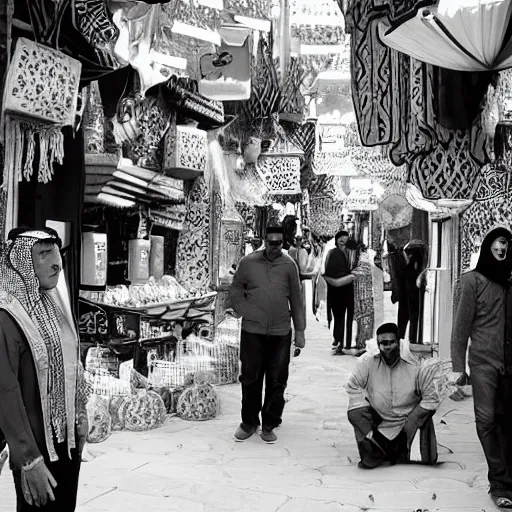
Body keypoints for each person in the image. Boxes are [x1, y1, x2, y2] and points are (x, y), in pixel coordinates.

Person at [0, 227, 89, 511]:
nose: (57, 263)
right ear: (22, 262)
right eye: (43, 253)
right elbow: (5, 389)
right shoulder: (8, 315)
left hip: (67, 442)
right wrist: (28, 458)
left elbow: (72, 362)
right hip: (36, 447)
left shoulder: (50, 303)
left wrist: (82, 412)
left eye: (56, 253)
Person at [451, 226, 512, 509]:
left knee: (506, 423)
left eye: (507, 245)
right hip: (483, 363)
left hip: (508, 364)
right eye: (499, 243)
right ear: (488, 245)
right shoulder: (472, 281)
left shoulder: (509, 281)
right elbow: (461, 327)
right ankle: (499, 483)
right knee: (486, 421)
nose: (503, 249)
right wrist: (456, 366)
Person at [229, 225, 306, 444]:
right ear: (265, 240)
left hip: (281, 332)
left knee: (277, 381)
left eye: (278, 243)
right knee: (250, 378)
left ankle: (270, 423)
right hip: (252, 331)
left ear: (283, 243)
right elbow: (235, 289)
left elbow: (296, 299)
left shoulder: (289, 265)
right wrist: (245, 310)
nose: (274, 247)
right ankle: (249, 422)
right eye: (271, 243)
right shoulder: (248, 263)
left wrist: (300, 331)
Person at [345, 322, 442, 469]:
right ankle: (377, 445)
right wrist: (369, 411)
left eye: (392, 342)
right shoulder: (368, 362)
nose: (388, 347)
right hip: (380, 425)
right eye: (384, 343)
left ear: (398, 342)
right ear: (378, 344)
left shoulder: (415, 364)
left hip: (409, 424)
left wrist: (412, 421)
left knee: (424, 459)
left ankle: (396, 448)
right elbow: (352, 386)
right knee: (354, 411)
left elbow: (432, 397)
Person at [323, 230, 355, 354]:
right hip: (336, 290)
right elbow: (329, 270)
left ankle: (343, 341)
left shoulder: (350, 254)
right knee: (338, 316)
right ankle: (338, 339)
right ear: (336, 241)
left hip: (347, 289)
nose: (343, 242)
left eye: (346, 240)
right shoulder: (333, 253)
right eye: (341, 240)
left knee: (346, 316)